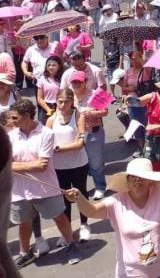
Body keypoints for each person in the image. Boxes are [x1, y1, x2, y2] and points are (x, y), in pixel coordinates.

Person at [65, 153, 160, 277]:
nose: (137, 181)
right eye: (132, 177)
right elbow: (91, 211)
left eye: (141, 177)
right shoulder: (116, 201)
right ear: (127, 182)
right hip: (132, 273)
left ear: (150, 180)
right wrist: (79, 198)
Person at [9, 99, 82, 267]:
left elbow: (41, 166)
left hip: (45, 188)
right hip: (20, 190)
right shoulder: (11, 136)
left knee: (59, 218)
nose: (12, 121)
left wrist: (15, 166)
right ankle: (24, 253)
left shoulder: (46, 134)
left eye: (15, 118)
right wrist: (24, 166)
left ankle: (72, 245)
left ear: (26, 116)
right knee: (23, 222)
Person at [47, 88, 91, 242]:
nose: (62, 104)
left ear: (72, 102)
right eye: (60, 101)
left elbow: (80, 144)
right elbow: (46, 141)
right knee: (64, 198)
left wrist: (57, 149)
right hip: (59, 167)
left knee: (81, 194)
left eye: (66, 101)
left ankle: (85, 225)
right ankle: (67, 231)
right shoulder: (51, 119)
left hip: (78, 164)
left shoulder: (78, 116)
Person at [69, 69, 108, 200]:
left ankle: (100, 187)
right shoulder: (69, 96)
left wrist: (93, 113)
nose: (76, 85)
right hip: (76, 134)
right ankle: (80, 190)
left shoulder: (96, 94)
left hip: (93, 133)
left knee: (96, 164)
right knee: (78, 164)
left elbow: (105, 111)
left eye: (78, 82)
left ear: (85, 82)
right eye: (73, 82)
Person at [36, 55, 64, 125]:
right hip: (45, 107)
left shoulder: (63, 79)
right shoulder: (42, 80)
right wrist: (48, 109)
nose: (51, 67)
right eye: (49, 65)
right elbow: (39, 98)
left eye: (54, 65)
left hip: (60, 106)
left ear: (59, 66)